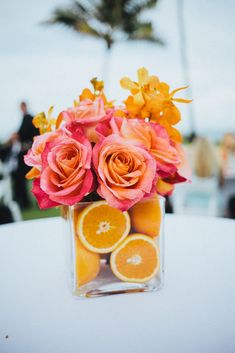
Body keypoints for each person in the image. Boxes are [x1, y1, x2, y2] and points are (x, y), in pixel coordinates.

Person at [10, 102, 38, 209]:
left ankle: (26, 202)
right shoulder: (26, 119)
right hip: (27, 153)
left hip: (29, 153)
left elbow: (30, 135)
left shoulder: (29, 119)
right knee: (21, 178)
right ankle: (24, 201)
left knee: (32, 177)